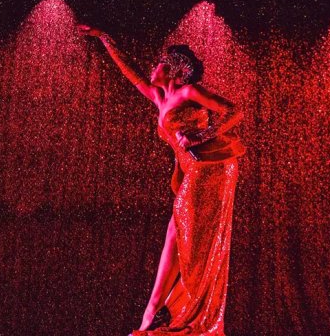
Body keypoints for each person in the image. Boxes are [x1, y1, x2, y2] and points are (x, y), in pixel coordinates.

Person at [77, 24, 246, 336]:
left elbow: (234, 111)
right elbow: (131, 72)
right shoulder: (159, 97)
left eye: (158, 63)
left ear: (172, 69)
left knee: (185, 236)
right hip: (192, 171)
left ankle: (172, 309)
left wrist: (202, 134)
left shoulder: (188, 92)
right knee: (175, 231)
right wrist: (105, 37)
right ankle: (154, 310)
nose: (152, 67)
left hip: (211, 169)